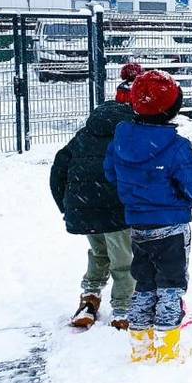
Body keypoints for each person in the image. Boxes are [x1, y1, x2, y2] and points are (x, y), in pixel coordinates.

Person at [104, 70, 192, 363]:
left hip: (138, 227)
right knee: (171, 287)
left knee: (145, 284)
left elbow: (111, 174)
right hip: (171, 228)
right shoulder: (176, 146)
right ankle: (168, 349)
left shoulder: (120, 141)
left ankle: (140, 348)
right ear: (173, 109)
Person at [50, 96, 136, 331]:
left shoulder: (82, 136)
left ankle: (89, 298)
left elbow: (58, 169)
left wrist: (66, 205)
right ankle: (123, 309)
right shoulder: (127, 137)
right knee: (123, 260)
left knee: (99, 252)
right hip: (116, 211)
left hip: (85, 207)